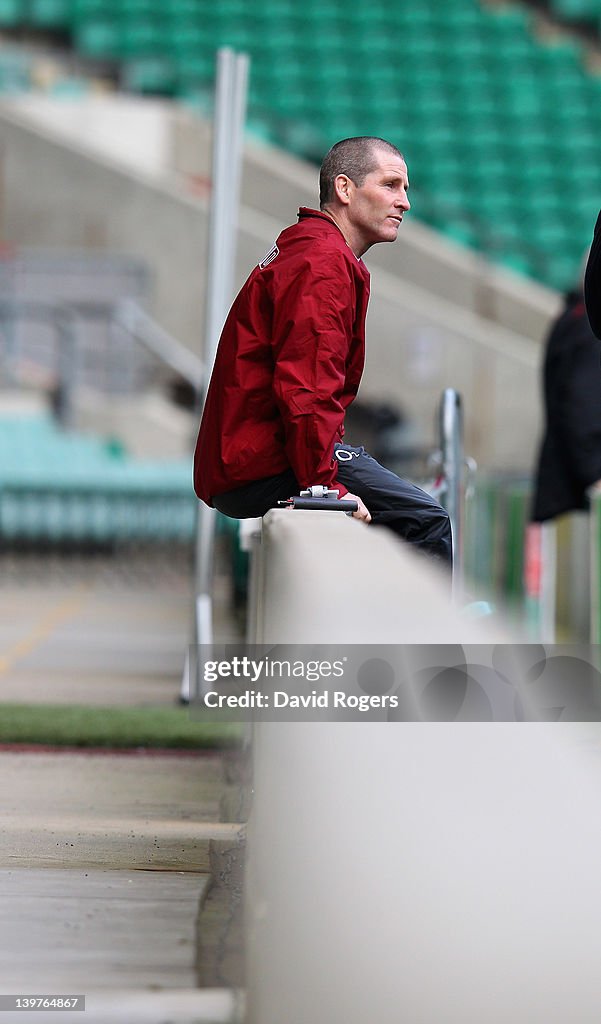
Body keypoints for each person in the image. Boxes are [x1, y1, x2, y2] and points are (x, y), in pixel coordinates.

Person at [193, 136, 452, 567]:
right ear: (345, 189)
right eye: (390, 185)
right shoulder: (322, 263)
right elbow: (308, 387)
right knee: (424, 521)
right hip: (260, 463)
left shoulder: (311, 248)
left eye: (405, 188)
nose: (404, 202)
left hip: (246, 461)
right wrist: (324, 488)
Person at [532, 281, 601, 522]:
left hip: (564, 491)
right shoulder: (590, 326)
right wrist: (596, 474)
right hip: (579, 501)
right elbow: (582, 407)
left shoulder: (575, 315)